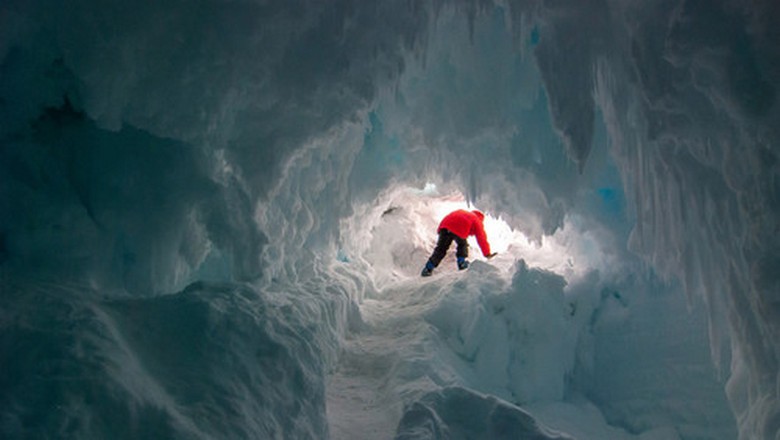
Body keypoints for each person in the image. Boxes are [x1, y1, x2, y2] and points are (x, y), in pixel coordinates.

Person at [421, 209, 496, 277]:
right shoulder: (476, 220)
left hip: (444, 226)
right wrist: (487, 254)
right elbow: (481, 237)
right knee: (462, 245)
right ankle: (462, 263)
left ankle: (428, 268)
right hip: (459, 227)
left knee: (441, 249)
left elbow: (448, 219)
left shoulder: (462, 212)